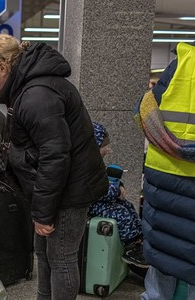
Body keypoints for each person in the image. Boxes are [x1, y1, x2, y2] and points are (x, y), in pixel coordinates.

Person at [0, 34, 108, 299]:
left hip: (69, 191)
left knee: (61, 257)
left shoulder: (36, 95)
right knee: (46, 255)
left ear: (2, 67)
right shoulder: (29, 89)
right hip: (58, 187)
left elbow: (55, 156)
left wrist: (44, 214)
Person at [136, 41, 195, 299]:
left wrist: (168, 144)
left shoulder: (179, 66)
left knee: (162, 266)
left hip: (163, 180)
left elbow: (145, 111)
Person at [89, 122, 147, 269]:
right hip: (91, 205)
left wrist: (118, 185)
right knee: (120, 212)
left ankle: (138, 238)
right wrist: (115, 191)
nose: (108, 150)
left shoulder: (95, 163)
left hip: (101, 200)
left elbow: (104, 182)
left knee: (128, 205)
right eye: (105, 146)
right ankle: (131, 247)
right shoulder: (86, 167)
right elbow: (98, 191)